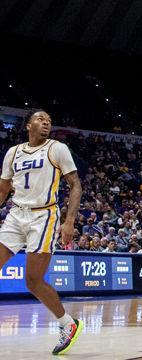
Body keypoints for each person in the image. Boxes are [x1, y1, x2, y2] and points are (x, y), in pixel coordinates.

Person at [0, 110, 84, 355]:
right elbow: (4, 188)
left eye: (48, 119)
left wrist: (69, 221)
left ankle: (68, 324)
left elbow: (75, 185)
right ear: (28, 125)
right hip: (16, 214)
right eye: (40, 118)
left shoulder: (57, 149)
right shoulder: (13, 152)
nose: (46, 121)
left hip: (44, 216)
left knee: (33, 281)